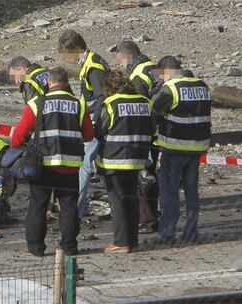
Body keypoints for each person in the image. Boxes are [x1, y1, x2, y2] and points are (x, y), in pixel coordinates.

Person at [11, 67, 93, 256]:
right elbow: (88, 135)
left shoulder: (36, 103)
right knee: (69, 206)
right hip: (70, 165)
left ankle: (35, 248)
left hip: (43, 164)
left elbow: (18, 136)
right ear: (67, 83)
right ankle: (69, 247)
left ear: (49, 83)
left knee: (38, 205)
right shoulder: (79, 104)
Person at [153, 56, 211, 244]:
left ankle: (167, 233)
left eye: (161, 76)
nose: (162, 80)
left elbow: (155, 113)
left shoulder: (171, 88)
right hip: (197, 147)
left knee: (169, 192)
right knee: (192, 191)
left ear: (166, 71)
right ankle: (191, 232)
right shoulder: (202, 86)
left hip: (175, 146)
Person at [95, 71, 154, 253]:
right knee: (132, 199)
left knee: (117, 201)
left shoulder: (110, 103)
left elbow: (100, 130)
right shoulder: (145, 103)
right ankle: (132, 241)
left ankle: (121, 242)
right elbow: (153, 129)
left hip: (114, 160)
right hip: (137, 159)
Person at [58, 29, 110, 218]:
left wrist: (90, 119)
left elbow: (102, 97)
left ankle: (75, 211)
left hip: (97, 123)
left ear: (78, 48)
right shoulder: (89, 62)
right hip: (95, 120)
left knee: (85, 166)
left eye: (68, 54)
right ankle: (120, 203)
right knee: (102, 166)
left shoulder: (93, 66)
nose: (67, 59)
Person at [116, 40, 160, 233]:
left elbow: (138, 106)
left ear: (126, 56)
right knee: (150, 175)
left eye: (118, 57)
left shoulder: (138, 75)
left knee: (139, 177)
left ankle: (146, 220)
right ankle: (153, 216)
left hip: (145, 134)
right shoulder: (152, 68)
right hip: (158, 132)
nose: (118, 62)